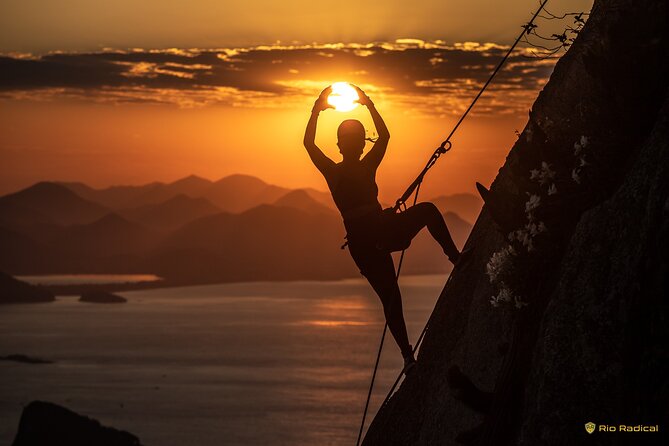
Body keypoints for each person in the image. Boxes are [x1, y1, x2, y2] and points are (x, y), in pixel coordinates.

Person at [303, 84, 463, 374]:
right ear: (359, 144)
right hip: (379, 231)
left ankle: (407, 357)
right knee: (426, 212)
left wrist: (318, 109)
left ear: (341, 145)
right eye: (360, 142)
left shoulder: (337, 172)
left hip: (366, 242)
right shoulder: (360, 168)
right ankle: (455, 258)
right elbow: (385, 136)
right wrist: (367, 104)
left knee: (391, 297)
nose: (360, 146)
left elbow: (309, 145)